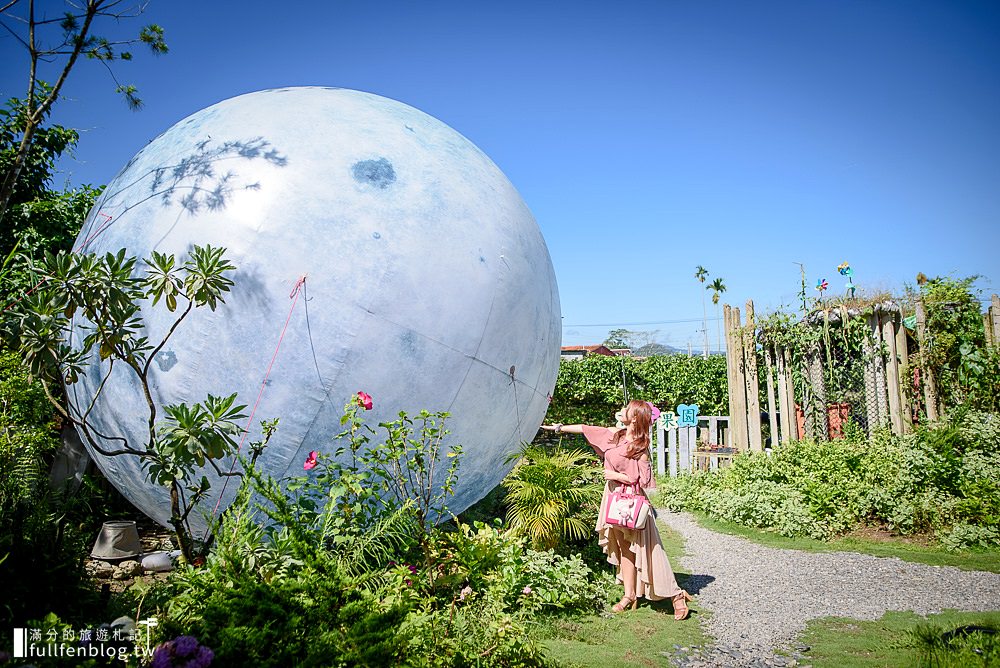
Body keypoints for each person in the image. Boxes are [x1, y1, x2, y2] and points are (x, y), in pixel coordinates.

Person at [541, 400, 693, 619]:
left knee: (649, 549)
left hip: (632, 502)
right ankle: (629, 595)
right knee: (623, 549)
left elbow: (643, 479)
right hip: (613, 498)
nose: (620, 411)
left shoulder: (641, 446)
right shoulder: (615, 434)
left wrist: (618, 476)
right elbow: (584, 428)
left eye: (625, 409)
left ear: (634, 418)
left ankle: (677, 595)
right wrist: (556, 428)